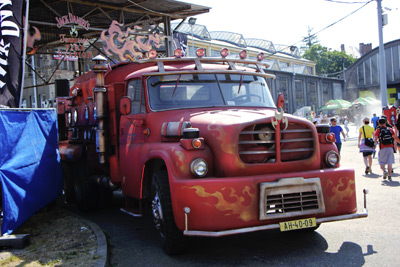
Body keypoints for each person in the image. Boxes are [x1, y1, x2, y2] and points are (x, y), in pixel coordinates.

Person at [374, 117, 400, 181]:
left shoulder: (378, 130)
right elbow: (395, 138)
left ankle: (384, 171)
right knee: (390, 162)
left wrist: (374, 146)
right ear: (385, 122)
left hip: (382, 148)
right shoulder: (390, 129)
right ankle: (390, 176)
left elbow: (375, 139)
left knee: (381, 162)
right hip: (390, 148)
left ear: (379, 123)